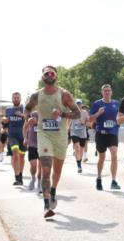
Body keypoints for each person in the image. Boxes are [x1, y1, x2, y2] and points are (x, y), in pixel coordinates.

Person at [25, 66, 80, 218]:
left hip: (61, 136)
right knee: (46, 169)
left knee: (57, 170)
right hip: (44, 135)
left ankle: (54, 190)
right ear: (43, 77)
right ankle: (46, 205)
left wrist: (62, 114)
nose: (49, 75)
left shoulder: (64, 94)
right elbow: (27, 109)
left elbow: (77, 113)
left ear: (55, 76)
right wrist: (28, 118)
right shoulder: (37, 95)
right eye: (46, 73)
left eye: (52, 73)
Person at [88, 84, 121, 191]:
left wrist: (118, 121)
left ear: (111, 92)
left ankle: (114, 180)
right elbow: (90, 119)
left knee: (114, 156)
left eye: (109, 91)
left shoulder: (116, 103)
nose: (107, 92)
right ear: (102, 92)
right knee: (102, 158)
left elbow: (120, 117)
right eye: (105, 91)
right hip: (101, 134)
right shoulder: (97, 104)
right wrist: (98, 113)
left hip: (112, 133)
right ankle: (98, 178)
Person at [4, 92, 28, 185]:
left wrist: (23, 115)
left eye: (18, 97)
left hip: (23, 136)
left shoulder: (24, 109)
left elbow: (29, 119)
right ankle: (17, 177)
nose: (16, 99)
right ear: (12, 99)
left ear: (20, 99)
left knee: (22, 157)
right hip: (12, 136)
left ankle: (20, 175)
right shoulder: (8, 109)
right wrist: (4, 121)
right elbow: (5, 123)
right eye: (14, 98)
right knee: (15, 154)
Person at [22, 108, 41, 193]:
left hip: (43, 144)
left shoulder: (47, 114)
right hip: (32, 144)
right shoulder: (33, 114)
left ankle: (40, 183)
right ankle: (33, 178)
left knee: (41, 166)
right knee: (33, 165)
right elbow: (25, 127)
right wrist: (25, 138)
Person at [69, 98, 90, 173]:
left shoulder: (85, 112)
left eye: (79, 103)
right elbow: (68, 121)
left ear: (81, 105)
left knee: (81, 150)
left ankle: (79, 162)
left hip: (82, 133)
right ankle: (79, 166)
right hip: (74, 132)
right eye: (77, 103)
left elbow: (89, 124)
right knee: (77, 148)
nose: (78, 105)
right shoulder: (72, 112)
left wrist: (84, 122)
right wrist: (67, 129)